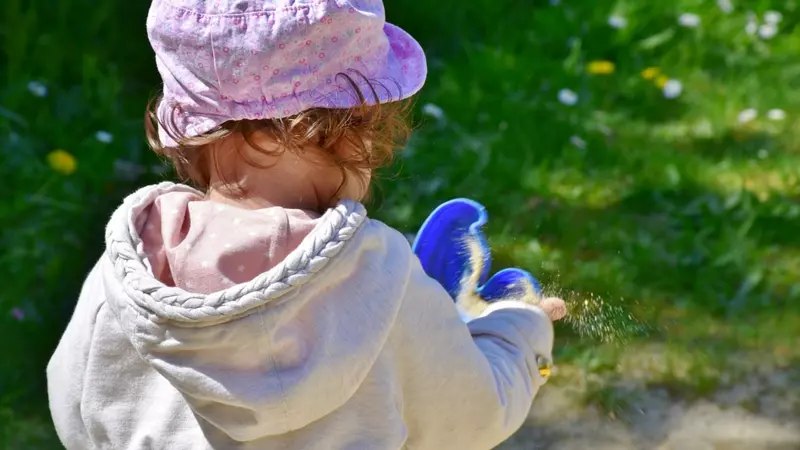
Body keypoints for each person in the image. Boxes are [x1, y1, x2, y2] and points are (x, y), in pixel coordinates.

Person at [46, 1, 567, 448]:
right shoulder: (380, 280)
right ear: (351, 128)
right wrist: (518, 331)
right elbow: (469, 416)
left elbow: (74, 406)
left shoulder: (128, 268)